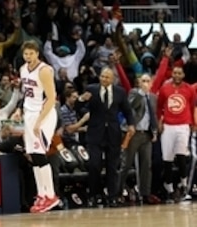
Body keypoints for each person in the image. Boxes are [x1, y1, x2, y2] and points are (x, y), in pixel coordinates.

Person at [11, 40, 60, 213]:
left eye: (31, 53)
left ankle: (50, 195)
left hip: (44, 113)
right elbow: (26, 93)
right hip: (29, 113)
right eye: (26, 54)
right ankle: (41, 194)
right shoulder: (23, 69)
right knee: (32, 155)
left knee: (39, 154)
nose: (28, 56)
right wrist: (18, 109)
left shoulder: (45, 70)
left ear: (37, 53)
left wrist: (39, 121)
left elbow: (52, 98)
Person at [80, 67, 135, 207]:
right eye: (102, 76)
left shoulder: (120, 92)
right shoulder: (91, 89)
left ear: (113, 79)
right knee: (94, 165)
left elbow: (127, 111)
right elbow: (81, 106)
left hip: (113, 133)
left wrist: (131, 125)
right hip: (95, 133)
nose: (103, 79)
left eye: (107, 77)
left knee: (112, 167)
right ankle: (94, 195)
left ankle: (112, 197)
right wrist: (81, 99)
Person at [157, 66, 197, 202]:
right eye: (175, 73)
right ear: (172, 74)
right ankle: (169, 189)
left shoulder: (189, 89)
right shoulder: (164, 89)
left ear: (183, 74)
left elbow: (191, 107)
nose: (177, 75)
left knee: (181, 157)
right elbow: (159, 107)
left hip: (183, 125)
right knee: (167, 159)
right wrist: (159, 121)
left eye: (179, 73)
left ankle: (184, 186)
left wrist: (192, 123)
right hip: (168, 126)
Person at [119, 74, 160, 204]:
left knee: (146, 165)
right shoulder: (134, 93)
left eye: (148, 81)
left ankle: (145, 193)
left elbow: (153, 115)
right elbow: (131, 107)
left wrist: (154, 131)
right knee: (126, 164)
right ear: (138, 82)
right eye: (143, 81)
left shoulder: (153, 97)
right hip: (133, 133)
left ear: (152, 83)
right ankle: (118, 192)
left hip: (146, 134)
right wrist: (142, 92)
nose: (146, 83)